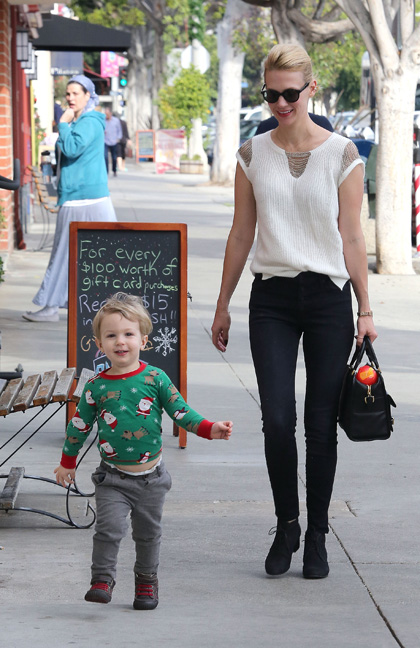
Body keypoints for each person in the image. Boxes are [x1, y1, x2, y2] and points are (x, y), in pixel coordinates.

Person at [211, 44, 377, 580]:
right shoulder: (252, 154)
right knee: (278, 419)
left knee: (319, 424)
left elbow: (353, 236)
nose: (281, 103)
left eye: (290, 92)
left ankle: (318, 535)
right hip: (273, 299)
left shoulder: (343, 154)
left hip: (329, 299)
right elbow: (242, 232)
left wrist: (365, 308)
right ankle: (287, 524)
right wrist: (223, 304)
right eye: (271, 93)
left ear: (311, 88)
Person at [54, 292, 233, 610]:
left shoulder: (155, 378)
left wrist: (209, 429)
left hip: (151, 479)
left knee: (148, 534)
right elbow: (79, 426)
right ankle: (102, 579)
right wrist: (67, 463)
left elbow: (181, 412)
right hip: (112, 478)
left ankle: (146, 581)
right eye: (111, 335)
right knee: (109, 529)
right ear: (99, 343)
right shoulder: (96, 386)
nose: (120, 342)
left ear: (143, 339)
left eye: (128, 334)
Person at [23, 75, 117, 323]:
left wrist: (62, 124)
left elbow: (73, 148)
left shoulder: (88, 121)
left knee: (69, 254)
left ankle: (52, 307)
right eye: (68, 93)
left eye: (76, 93)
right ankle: (58, 305)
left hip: (84, 200)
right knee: (84, 255)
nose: (70, 98)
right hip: (83, 198)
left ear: (88, 96)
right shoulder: (84, 121)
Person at [256, 112, 333, 135]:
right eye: (273, 94)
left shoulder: (322, 123)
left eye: (291, 94)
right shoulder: (265, 126)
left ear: (312, 89)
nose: (281, 103)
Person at [104, 108, 123, 177]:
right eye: (105, 114)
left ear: (110, 114)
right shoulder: (103, 121)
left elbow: (119, 130)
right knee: (105, 156)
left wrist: (118, 138)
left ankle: (114, 170)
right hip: (105, 141)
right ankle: (106, 171)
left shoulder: (116, 121)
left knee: (114, 157)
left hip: (114, 141)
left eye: (107, 114)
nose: (106, 116)